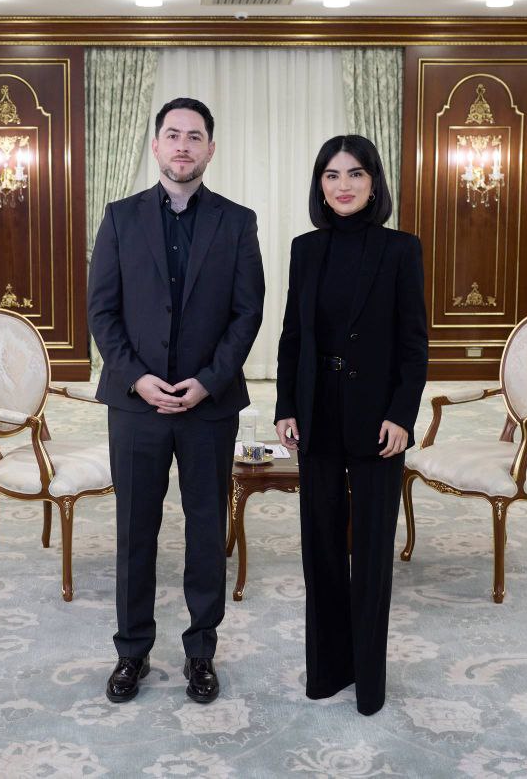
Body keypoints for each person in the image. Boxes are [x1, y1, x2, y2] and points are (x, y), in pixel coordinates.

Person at [88, 97, 265, 705]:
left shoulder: (237, 222)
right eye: (172, 134)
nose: (182, 145)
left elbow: (247, 314)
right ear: (156, 146)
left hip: (208, 406)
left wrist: (209, 381)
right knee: (135, 530)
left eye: (194, 136)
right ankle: (131, 651)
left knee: (205, 530)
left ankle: (201, 652)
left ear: (210, 149)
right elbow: (102, 312)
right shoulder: (119, 218)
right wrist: (137, 378)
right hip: (135, 404)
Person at [274, 134, 428, 716]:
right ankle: (328, 671)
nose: (344, 185)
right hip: (317, 414)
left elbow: (414, 344)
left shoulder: (401, 249)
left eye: (355, 174)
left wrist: (402, 415)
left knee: (371, 554)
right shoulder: (305, 249)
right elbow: (292, 336)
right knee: (320, 549)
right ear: (320, 185)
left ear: (373, 182)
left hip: (378, 421)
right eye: (332, 175)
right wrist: (286, 405)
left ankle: (368, 681)